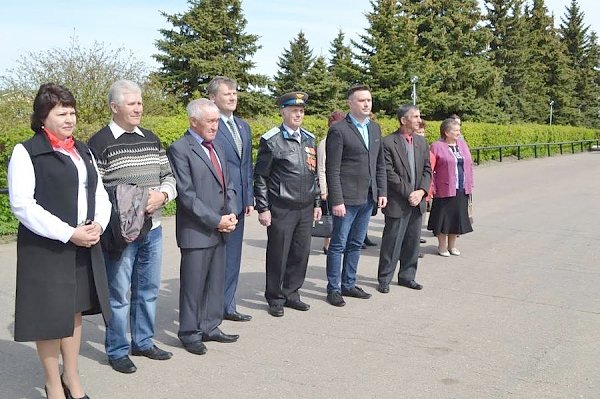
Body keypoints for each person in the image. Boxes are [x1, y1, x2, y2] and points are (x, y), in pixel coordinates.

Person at [8, 83, 112, 399]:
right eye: (61, 112)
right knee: (49, 316)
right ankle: (53, 384)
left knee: (74, 311)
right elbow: (23, 204)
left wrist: (98, 225)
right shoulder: (26, 152)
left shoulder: (83, 149)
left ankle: (72, 377)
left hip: (84, 242)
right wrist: (69, 233)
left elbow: (98, 193)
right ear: (43, 117)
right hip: (46, 247)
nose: (70, 119)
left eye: (72, 112)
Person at [88, 80, 177, 374]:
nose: (138, 108)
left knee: (148, 289)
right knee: (118, 293)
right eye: (132, 103)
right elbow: (94, 190)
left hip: (153, 228)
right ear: (115, 107)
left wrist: (163, 194)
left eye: (140, 103)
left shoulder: (151, 139)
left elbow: (169, 175)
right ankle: (117, 349)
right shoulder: (99, 142)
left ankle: (143, 341)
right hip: (120, 233)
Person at [168, 98, 240, 356]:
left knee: (214, 282)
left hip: (221, 226)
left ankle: (210, 326)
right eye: (210, 121)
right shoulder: (179, 149)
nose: (215, 126)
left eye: (217, 120)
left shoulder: (218, 146)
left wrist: (230, 213)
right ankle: (189, 332)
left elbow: (228, 184)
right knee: (193, 286)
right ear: (193, 121)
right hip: (197, 231)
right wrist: (215, 220)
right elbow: (186, 196)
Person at [254, 91, 322, 317]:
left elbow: (312, 174)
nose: (298, 114)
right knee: (278, 255)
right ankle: (275, 297)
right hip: (281, 208)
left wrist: (316, 202)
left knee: (300, 254)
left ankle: (292, 293)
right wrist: (263, 207)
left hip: (304, 207)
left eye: (301, 111)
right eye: (294, 110)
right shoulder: (272, 140)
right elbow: (261, 176)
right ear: (282, 112)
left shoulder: (309, 138)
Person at [325, 84, 387, 307]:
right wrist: (337, 200)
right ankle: (333, 288)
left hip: (368, 197)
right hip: (346, 200)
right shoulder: (339, 130)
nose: (367, 104)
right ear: (350, 103)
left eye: (369, 100)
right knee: (339, 244)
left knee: (356, 243)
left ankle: (348, 284)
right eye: (361, 100)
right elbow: (333, 169)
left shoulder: (375, 129)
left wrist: (381, 191)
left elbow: (379, 164)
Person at [208, 76, 254, 323]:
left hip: (239, 202)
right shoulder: (209, 125)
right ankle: (210, 308)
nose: (233, 97)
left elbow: (246, 164)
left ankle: (228, 304)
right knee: (214, 258)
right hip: (216, 203)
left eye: (235, 93)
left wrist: (249, 197)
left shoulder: (243, 126)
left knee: (233, 256)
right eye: (227, 94)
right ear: (213, 98)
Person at [376, 105, 431, 293]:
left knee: (412, 242)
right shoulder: (388, 142)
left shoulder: (422, 143)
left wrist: (422, 191)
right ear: (403, 120)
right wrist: (410, 193)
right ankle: (385, 278)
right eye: (415, 116)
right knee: (392, 242)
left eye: (419, 116)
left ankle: (407, 277)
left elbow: (427, 170)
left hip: (418, 201)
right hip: (398, 201)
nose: (419, 119)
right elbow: (388, 173)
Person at [427, 118, 474, 256]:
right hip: (444, 189)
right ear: (446, 132)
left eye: (459, 129)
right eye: (455, 130)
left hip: (461, 187)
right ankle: (442, 246)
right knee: (443, 218)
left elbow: (469, 165)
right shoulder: (436, 146)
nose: (458, 132)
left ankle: (452, 246)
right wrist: (431, 187)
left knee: (456, 218)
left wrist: (470, 184)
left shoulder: (462, 144)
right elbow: (430, 168)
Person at [317, 111, 345, 254]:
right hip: (328, 186)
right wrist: (323, 189)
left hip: (341, 186)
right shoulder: (324, 142)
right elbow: (321, 168)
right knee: (328, 216)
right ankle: (327, 244)